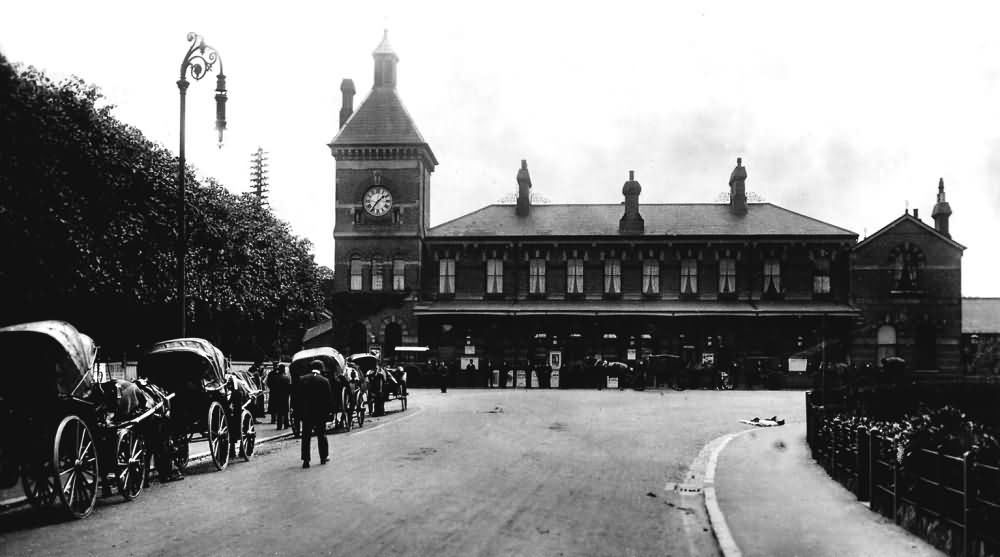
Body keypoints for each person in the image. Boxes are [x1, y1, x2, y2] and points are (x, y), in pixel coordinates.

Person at [298, 361, 333, 468]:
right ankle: (323, 457)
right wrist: (329, 412)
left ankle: (306, 460)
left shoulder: (302, 379)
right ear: (320, 369)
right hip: (320, 413)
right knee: (321, 435)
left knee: (306, 436)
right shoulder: (324, 380)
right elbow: (328, 399)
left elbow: (297, 398)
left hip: (307, 412)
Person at [270, 364, 290, 430]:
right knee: (285, 411)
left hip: (277, 396)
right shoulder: (286, 378)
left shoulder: (275, 377)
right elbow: (288, 388)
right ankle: (286, 425)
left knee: (279, 412)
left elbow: (272, 386)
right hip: (285, 396)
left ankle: (279, 426)